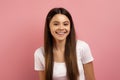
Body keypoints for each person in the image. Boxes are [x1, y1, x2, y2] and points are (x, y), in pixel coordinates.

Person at [34, 7, 95, 80]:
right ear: (48, 27)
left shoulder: (82, 47)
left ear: (70, 27)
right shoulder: (39, 53)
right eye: (56, 24)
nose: (61, 28)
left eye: (65, 24)